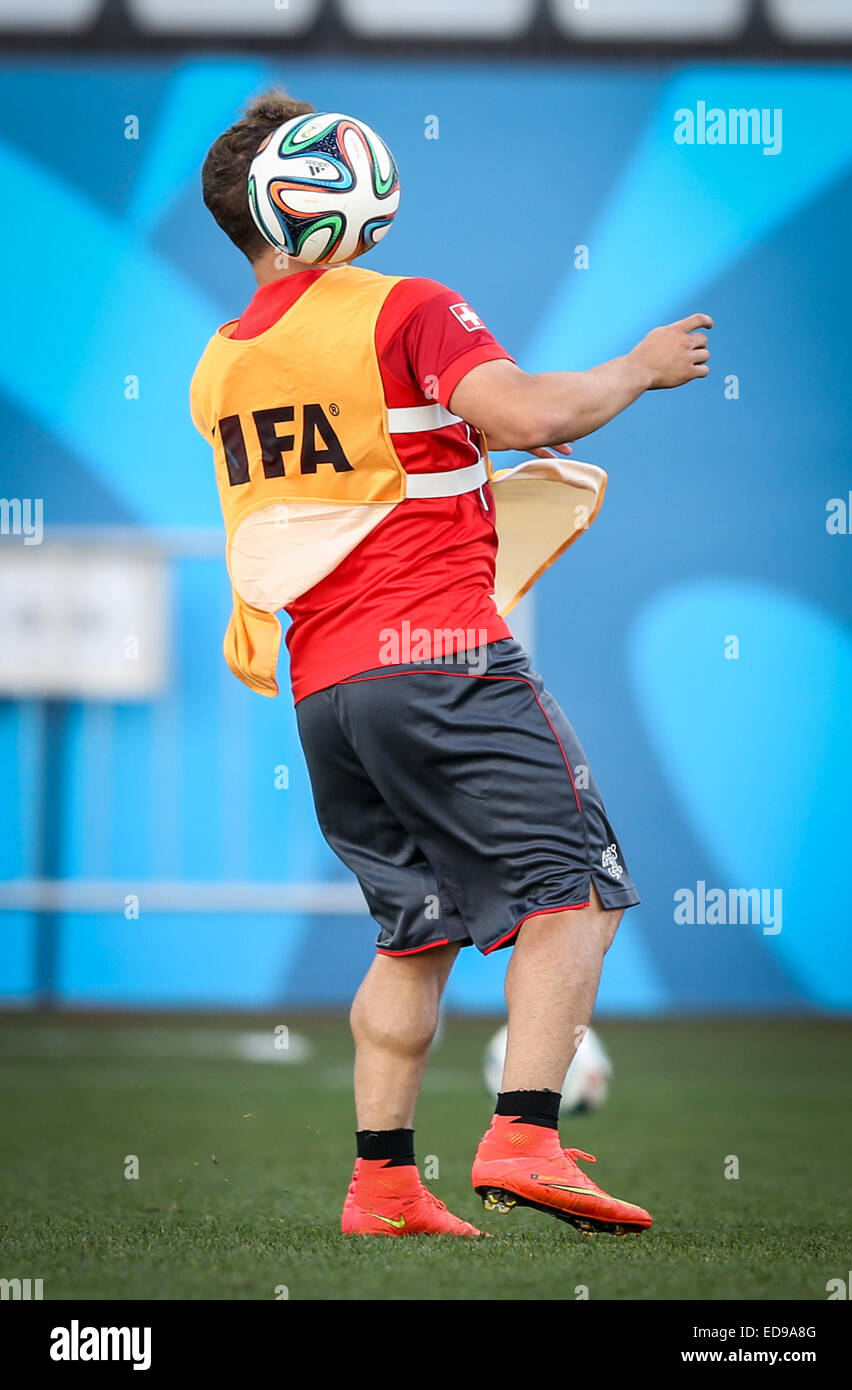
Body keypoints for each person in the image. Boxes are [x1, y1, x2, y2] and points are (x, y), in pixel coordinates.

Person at [191, 90, 712, 1238]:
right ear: (315, 192)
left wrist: (475, 455)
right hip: (440, 659)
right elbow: (525, 411)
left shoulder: (219, 366)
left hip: (326, 690)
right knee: (576, 887)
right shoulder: (407, 308)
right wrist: (634, 367)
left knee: (411, 930)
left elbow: (343, 493)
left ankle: (380, 1185)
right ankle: (526, 1134)